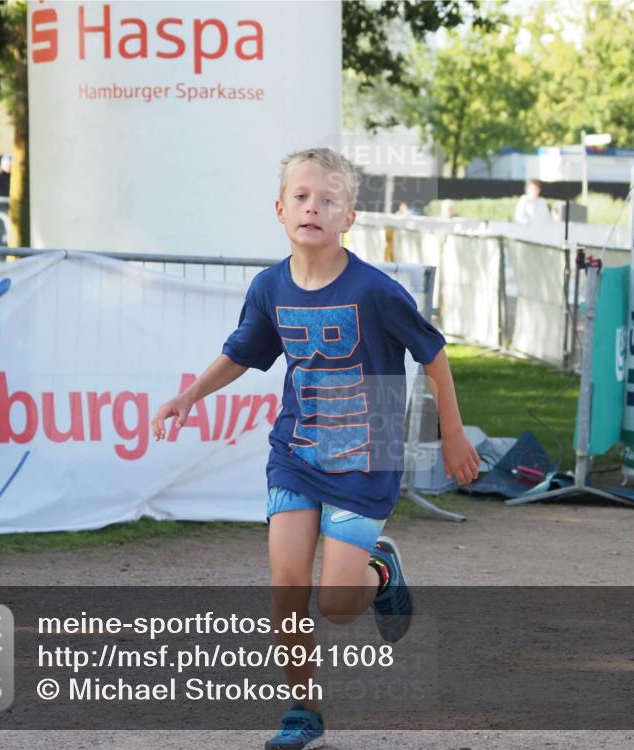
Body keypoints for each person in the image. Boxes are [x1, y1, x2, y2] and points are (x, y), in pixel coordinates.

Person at [151, 147, 480, 750]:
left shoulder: (376, 291)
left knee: (337, 605)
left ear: (348, 217)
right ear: (280, 210)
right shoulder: (269, 287)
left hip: (366, 456)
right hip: (296, 453)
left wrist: (453, 432)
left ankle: (379, 569)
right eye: (301, 197)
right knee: (287, 589)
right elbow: (243, 352)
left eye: (328, 200)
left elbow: (433, 355)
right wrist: (190, 395)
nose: (313, 208)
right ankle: (304, 711)